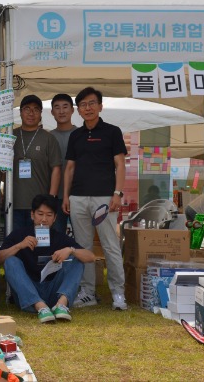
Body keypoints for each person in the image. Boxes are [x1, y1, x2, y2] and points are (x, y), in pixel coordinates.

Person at [62, 87, 128, 310]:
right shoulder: (76, 135)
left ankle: (119, 293)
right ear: (77, 110)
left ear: (100, 106)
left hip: (104, 198)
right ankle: (87, 292)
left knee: (111, 246)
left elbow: (120, 164)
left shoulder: (112, 131)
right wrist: (66, 196)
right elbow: (69, 168)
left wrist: (118, 193)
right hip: (78, 197)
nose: (87, 108)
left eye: (91, 103)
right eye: (83, 105)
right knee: (83, 247)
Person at [0, 194, 95, 323]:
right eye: (40, 214)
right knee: (10, 261)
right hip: (28, 296)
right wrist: (19, 246)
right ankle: (40, 306)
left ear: (55, 218)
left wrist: (70, 250)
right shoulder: (20, 234)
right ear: (32, 215)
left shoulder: (59, 237)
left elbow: (91, 257)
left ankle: (61, 305)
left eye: (49, 215)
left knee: (78, 258)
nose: (44, 219)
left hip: (53, 293)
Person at [11, 95, 61, 231]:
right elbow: (1, 169)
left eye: (36, 109)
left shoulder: (49, 138)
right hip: (13, 204)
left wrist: (51, 199)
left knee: (41, 245)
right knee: (17, 245)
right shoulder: (10, 136)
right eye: (27, 109)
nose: (31, 113)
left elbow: (56, 169)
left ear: (40, 114)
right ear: (20, 112)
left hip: (40, 208)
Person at [49, 93, 77, 236]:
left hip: (78, 196)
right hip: (54, 197)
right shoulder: (48, 137)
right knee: (55, 238)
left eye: (65, 107)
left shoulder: (80, 134)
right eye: (57, 107)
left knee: (80, 239)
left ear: (72, 110)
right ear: (52, 112)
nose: (61, 111)